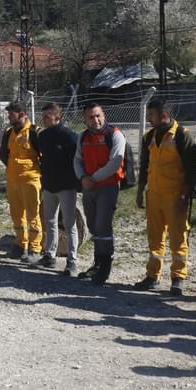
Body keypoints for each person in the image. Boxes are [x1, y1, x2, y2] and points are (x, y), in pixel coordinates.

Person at [133, 98, 196, 297]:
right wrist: (140, 192)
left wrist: (185, 195)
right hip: (154, 195)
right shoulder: (149, 137)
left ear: (163, 115)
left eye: (151, 115)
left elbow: (193, 169)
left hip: (175, 196)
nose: (149, 118)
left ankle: (178, 278)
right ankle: (152, 276)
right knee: (155, 238)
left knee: (178, 237)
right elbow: (145, 166)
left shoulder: (182, 136)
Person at [74, 102, 126, 285]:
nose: (95, 120)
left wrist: (93, 178)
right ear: (85, 119)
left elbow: (115, 163)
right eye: (91, 117)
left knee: (103, 226)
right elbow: (77, 160)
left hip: (108, 186)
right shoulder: (83, 137)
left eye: (98, 116)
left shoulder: (115, 135)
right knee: (93, 225)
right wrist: (82, 177)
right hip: (89, 186)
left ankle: (105, 267)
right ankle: (97, 263)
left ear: (104, 115)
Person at [37, 102, 81, 276]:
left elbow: (78, 160)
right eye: (43, 116)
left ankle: (72, 261)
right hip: (49, 185)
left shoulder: (70, 136)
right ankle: (50, 254)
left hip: (66, 186)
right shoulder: (44, 136)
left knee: (70, 224)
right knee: (49, 221)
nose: (44, 119)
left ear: (58, 117)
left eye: (47, 116)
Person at [0, 100, 42, 263]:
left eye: (11, 114)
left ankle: (35, 248)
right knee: (17, 215)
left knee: (33, 215)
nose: (9, 117)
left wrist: (32, 172)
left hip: (30, 179)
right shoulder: (9, 133)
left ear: (22, 115)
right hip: (12, 180)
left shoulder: (34, 131)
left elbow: (42, 156)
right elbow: (3, 155)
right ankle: (20, 244)